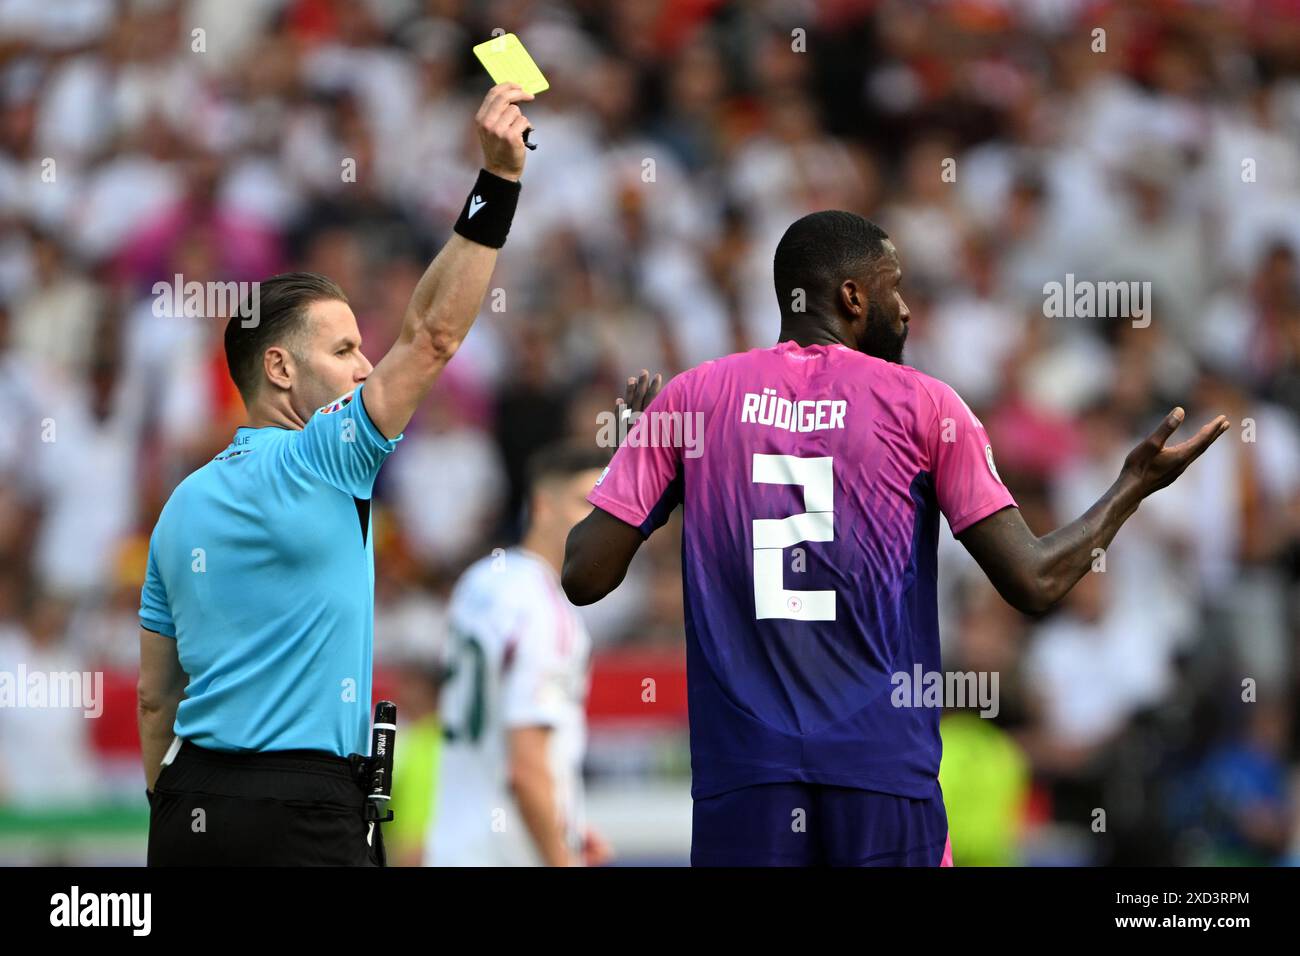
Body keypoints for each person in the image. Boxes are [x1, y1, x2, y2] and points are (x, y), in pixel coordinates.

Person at [561, 210, 1230, 866]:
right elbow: (1034, 580)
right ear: (854, 296)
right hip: (879, 770)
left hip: (746, 774)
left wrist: (631, 460)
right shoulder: (926, 405)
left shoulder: (693, 398)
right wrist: (1130, 489)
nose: (906, 309)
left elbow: (584, 577)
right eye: (894, 285)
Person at [136, 83, 535, 866]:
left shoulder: (176, 507)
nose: (364, 368)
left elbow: (156, 700)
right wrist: (499, 183)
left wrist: (177, 812)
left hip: (190, 808)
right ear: (279, 368)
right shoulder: (327, 456)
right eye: (345, 349)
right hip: (311, 811)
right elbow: (433, 336)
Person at [426, 444, 612, 867]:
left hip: (454, 847)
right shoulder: (544, 609)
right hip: (511, 853)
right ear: (544, 506)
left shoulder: (480, 580)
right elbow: (524, 768)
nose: (601, 519)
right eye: (587, 502)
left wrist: (566, 826)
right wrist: (561, 857)